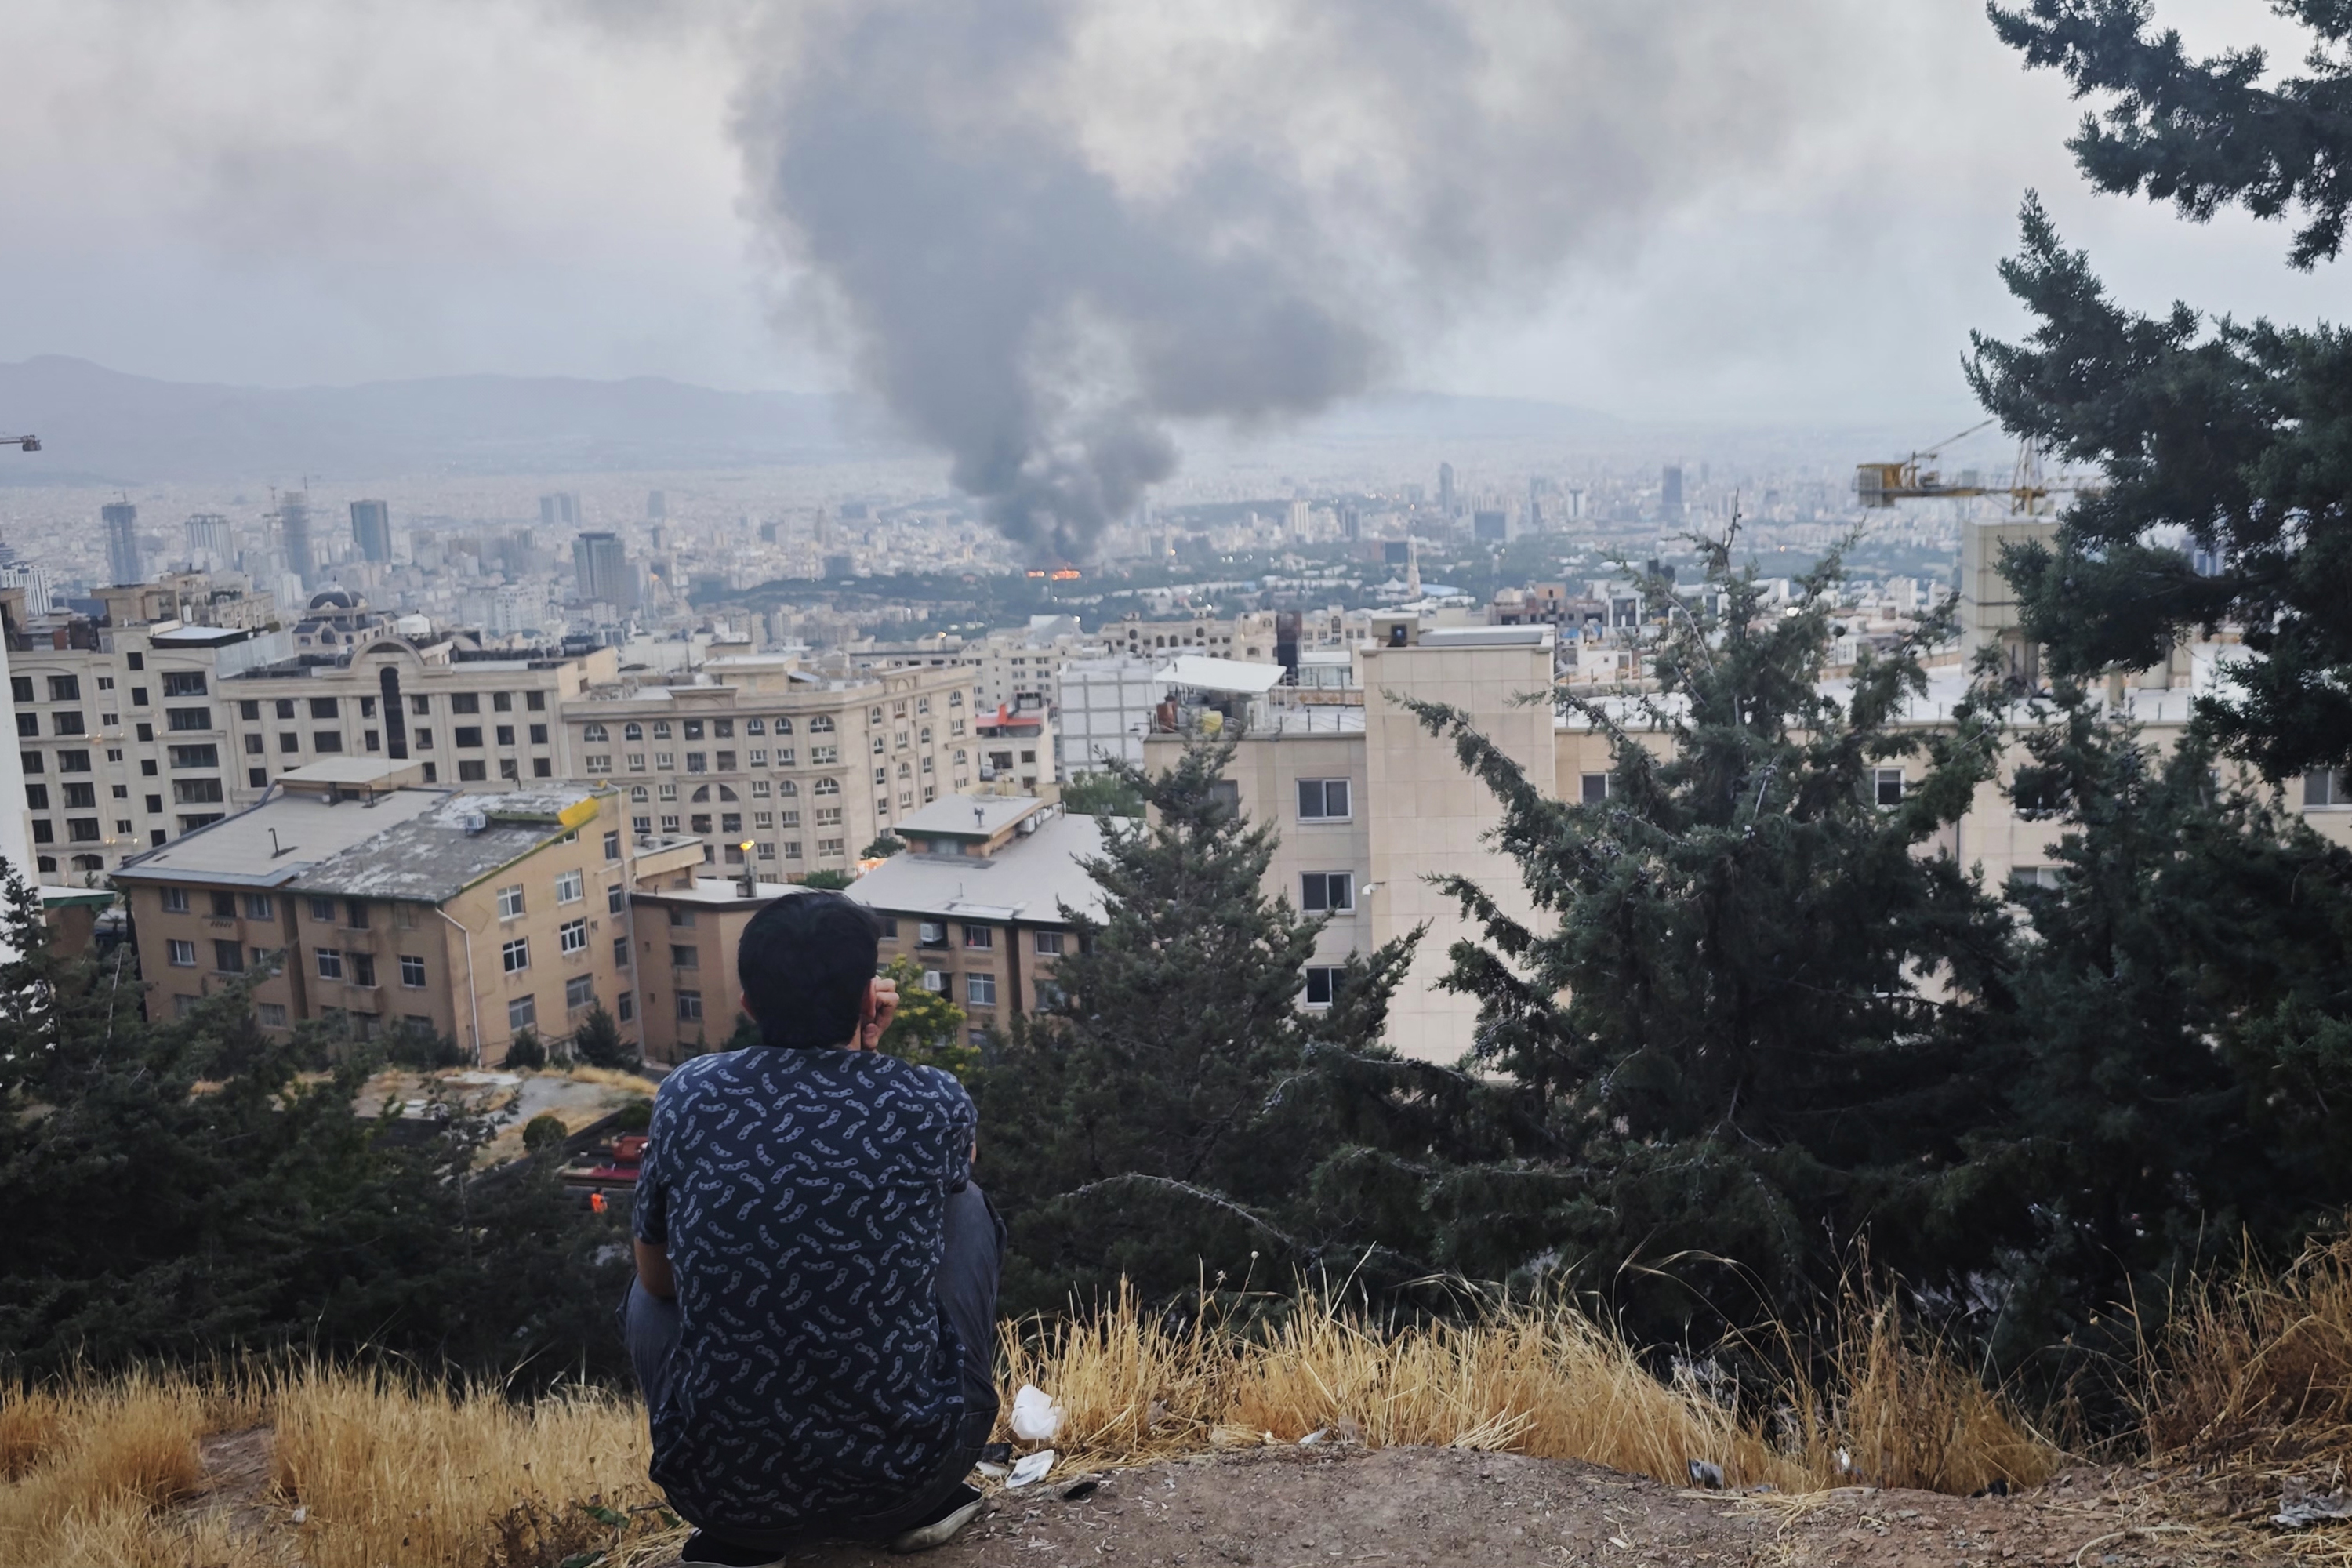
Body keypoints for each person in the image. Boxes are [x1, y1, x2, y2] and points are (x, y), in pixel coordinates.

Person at [622, 891, 1002, 1567]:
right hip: (911, 1483)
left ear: (747, 1004)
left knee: (646, 1291)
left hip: (724, 1500)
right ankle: (929, 1499)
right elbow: (955, 1166)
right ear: (866, 1001)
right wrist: (867, 1049)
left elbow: (658, 1280)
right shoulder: (931, 1100)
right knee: (965, 1205)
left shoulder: (688, 1095)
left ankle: (743, 1542)